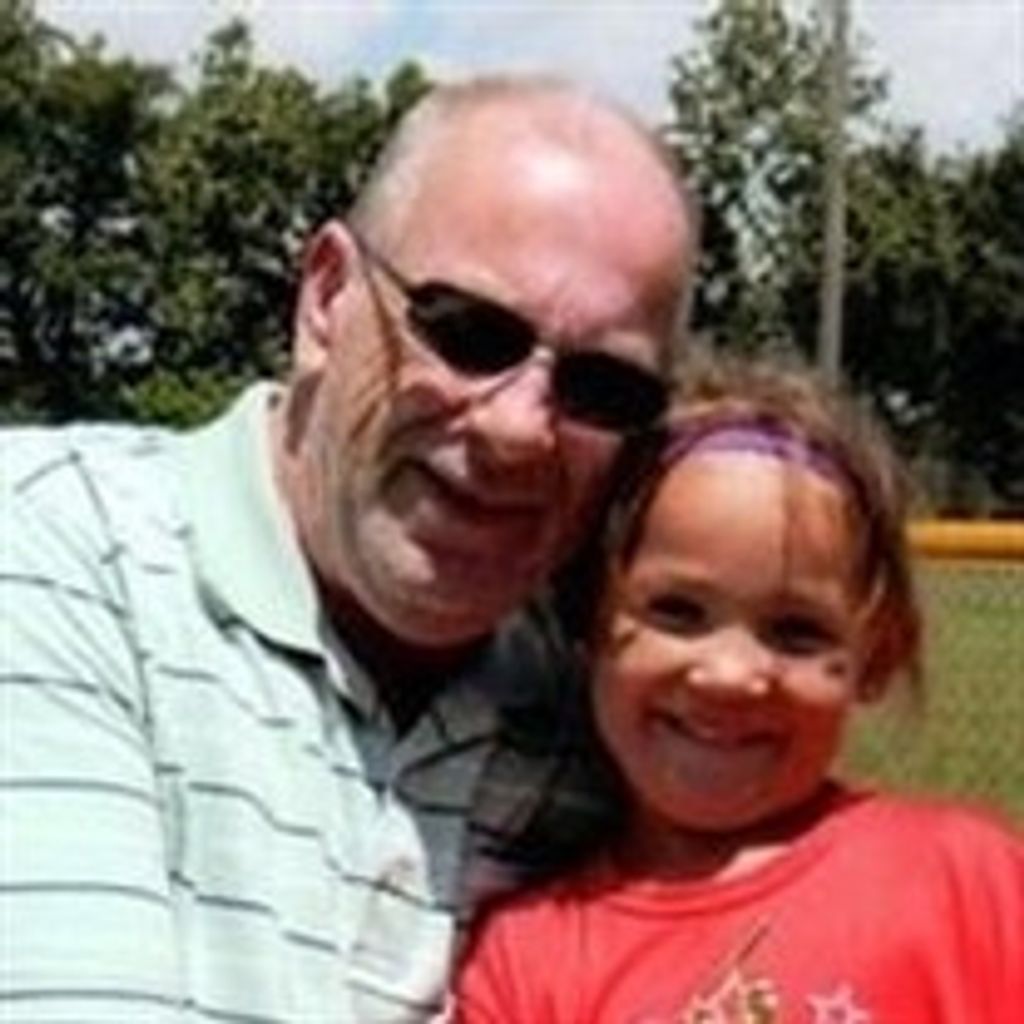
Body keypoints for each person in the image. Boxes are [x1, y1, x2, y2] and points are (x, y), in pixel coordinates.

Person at [0, 76, 697, 1022]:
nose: (517, 429)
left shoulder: (605, 724)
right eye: (469, 333)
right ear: (327, 297)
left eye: (602, 388)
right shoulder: (57, 547)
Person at [453, 357, 1024, 1023]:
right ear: (589, 616)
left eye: (796, 632)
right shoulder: (528, 958)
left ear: (876, 656)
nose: (729, 675)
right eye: (677, 612)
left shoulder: (964, 879)